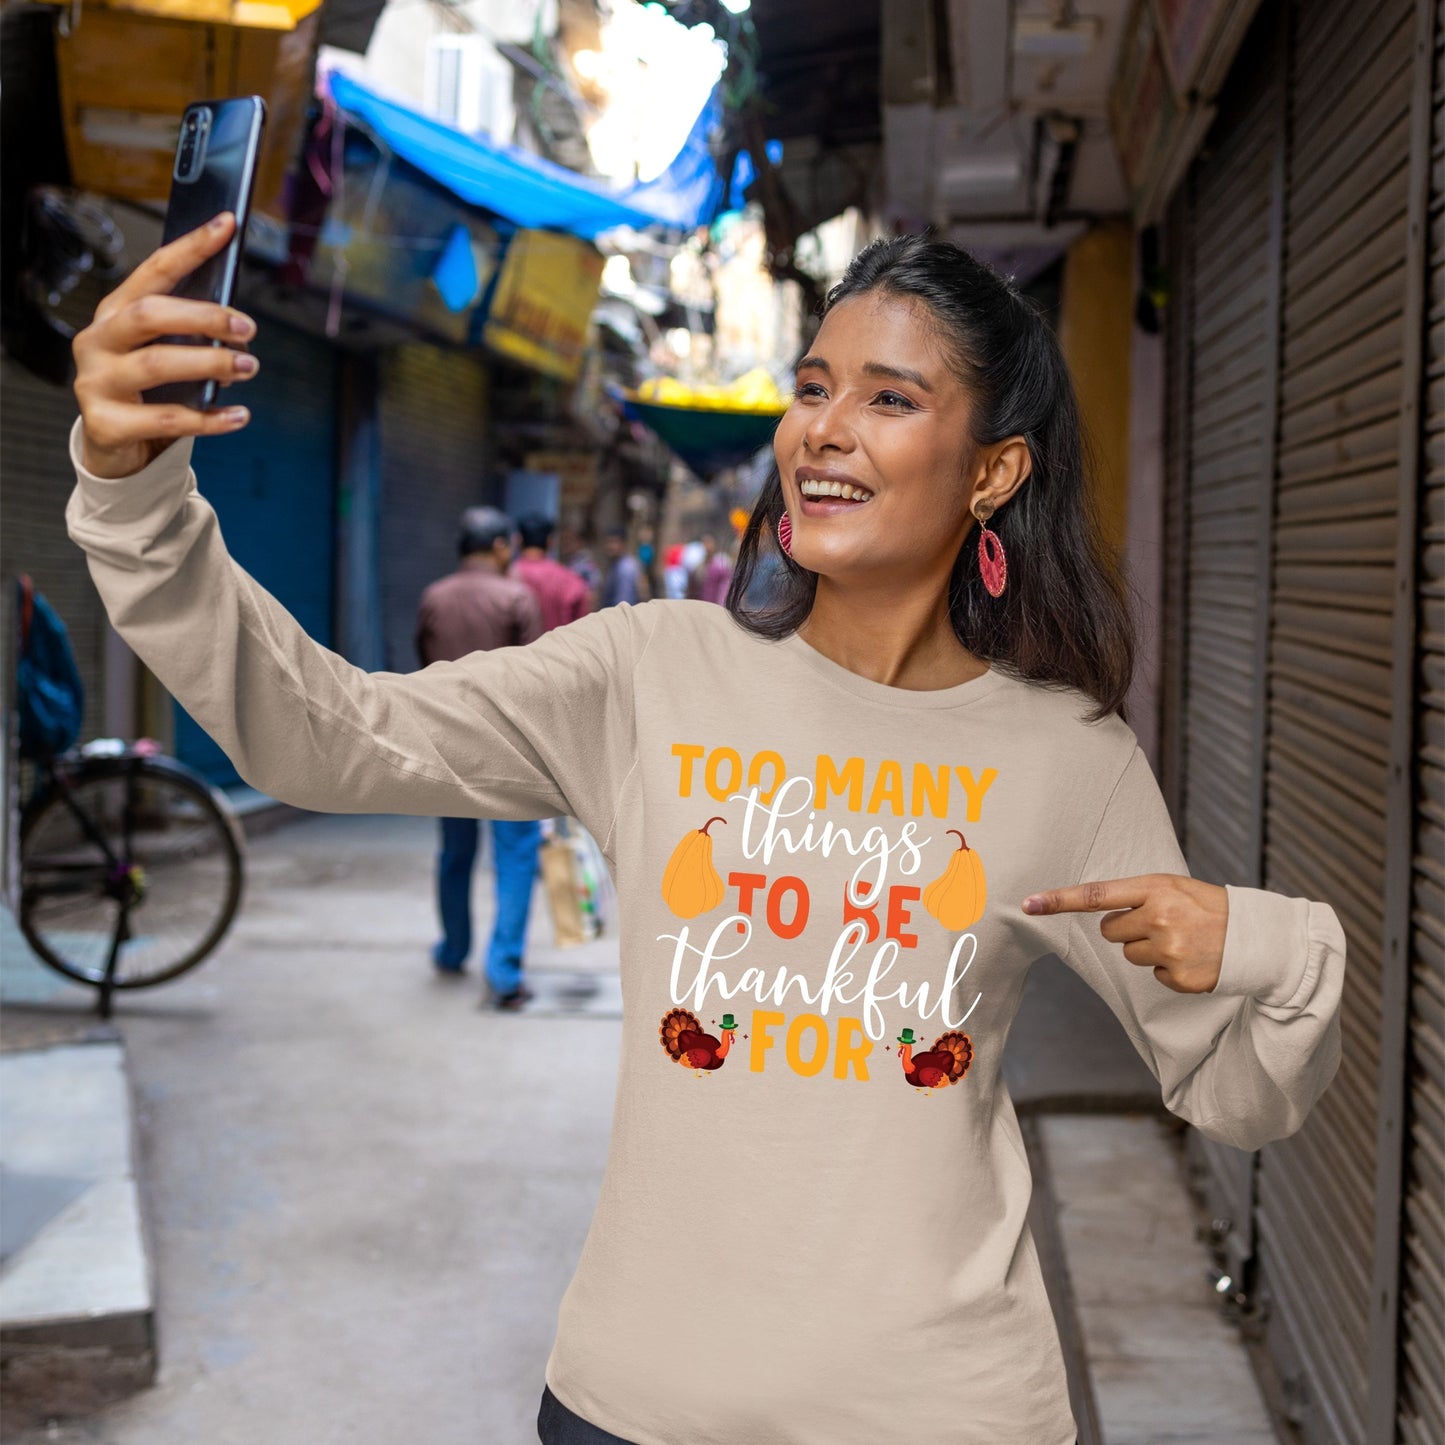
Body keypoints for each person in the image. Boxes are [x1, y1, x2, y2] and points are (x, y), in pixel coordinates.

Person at [67, 215, 1345, 1445]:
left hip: (941, 1412)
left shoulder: (1064, 758)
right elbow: (324, 733)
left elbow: (1230, 1092)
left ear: (994, 469)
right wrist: (139, 505)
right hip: (638, 1404)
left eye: (888, 400)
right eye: (812, 386)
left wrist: (1274, 947)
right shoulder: (649, 671)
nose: (824, 433)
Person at [415, 506, 543, 1009]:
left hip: (447, 745)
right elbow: (539, 682)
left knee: (455, 854)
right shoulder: (516, 597)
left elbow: (423, 667)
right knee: (515, 856)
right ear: (498, 547)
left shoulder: (433, 598)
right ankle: (505, 971)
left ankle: (452, 950)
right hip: (509, 751)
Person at [512, 513, 591, 632]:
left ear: (518, 540)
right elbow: (582, 630)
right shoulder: (571, 580)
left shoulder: (505, 577)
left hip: (511, 651)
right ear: (550, 541)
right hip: (558, 650)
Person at [599, 527, 646, 607]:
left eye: (614, 542)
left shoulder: (627, 567)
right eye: (608, 542)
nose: (610, 546)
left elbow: (624, 601)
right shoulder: (614, 565)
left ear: (623, 544)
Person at [686, 531, 734, 605]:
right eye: (704, 543)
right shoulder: (699, 564)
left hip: (716, 605)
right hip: (701, 604)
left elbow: (725, 587)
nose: (706, 546)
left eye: (708, 543)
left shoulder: (721, 563)